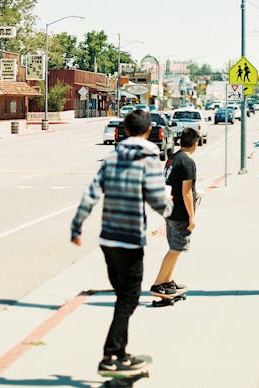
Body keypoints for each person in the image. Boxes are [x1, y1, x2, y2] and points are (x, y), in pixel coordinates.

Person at [70, 108, 171, 377]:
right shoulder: (149, 158)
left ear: (125, 131)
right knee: (130, 297)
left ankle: (121, 353)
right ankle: (110, 354)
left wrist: (76, 225)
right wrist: (172, 213)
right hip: (130, 239)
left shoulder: (112, 156)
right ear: (148, 130)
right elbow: (157, 199)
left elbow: (92, 193)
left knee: (122, 297)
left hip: (108, 239)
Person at [150, 126, 199, 297]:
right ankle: (157, 285)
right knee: (176, 249)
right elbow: (186, 192)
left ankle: (167, 281)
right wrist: (192, 218)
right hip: (180, 213)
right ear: (195, 143)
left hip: (169, 210)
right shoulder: (188, 162)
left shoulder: (173, 158)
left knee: (174, 247)